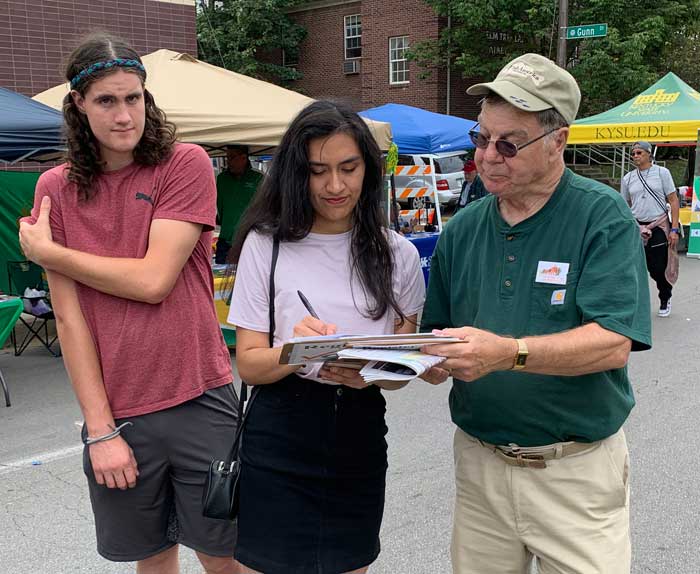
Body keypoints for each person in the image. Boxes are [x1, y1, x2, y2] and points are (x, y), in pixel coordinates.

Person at [419, 53, 652, 574]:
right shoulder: (462, 228)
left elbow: (614, 340)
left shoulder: (601, 214)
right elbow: (434, 336)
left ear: (558, 141)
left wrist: (508, 354)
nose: (488, 156)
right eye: (481, 139)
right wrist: (425, 360)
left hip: (574, 471)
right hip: (480, 467)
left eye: (508, 143)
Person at [18, 34, 239, 574]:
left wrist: (51, 253)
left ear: (147, 98)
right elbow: (69, 319)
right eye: (106, 101)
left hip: (201, 398)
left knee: (228, 557)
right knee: (151, 560)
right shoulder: (54, 188)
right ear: (78, 105)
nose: (124, 115)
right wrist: (100, 431)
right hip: (119, 416)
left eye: (133, 98)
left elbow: (154, 281)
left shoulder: (183, 165)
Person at [227, 100, 428, 574]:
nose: (335, 186)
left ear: (368, 170)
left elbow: (403, 371)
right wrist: (294, 352)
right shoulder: (265, 244)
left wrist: (373, 375)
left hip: (357, 429)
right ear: (297, 174)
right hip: (280, 429)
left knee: (348, 565)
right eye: (318, 171)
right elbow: (251, 366)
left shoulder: (397, 254)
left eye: (348, 168)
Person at [621, 140, 680, 317]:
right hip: (637, 227)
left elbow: (673, 200)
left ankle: (665, 296)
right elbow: (625, 204)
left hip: (658, 226)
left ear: (648, 154)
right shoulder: (628, 178)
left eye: (639, 152)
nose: (635, 156)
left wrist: (674, 229)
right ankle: (635, 304)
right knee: (635, 268)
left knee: (657, 267)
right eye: (633, 154)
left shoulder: (662, 173)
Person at [215, 145, 262, 263]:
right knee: (221, 279)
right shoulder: (221, 179)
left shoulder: (258, 179)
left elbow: (264, 209)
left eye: (231, 157)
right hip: (225, 240)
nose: (228, 162)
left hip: (250, 239)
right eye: (227, 158)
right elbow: (219, 207)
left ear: (244, 158)